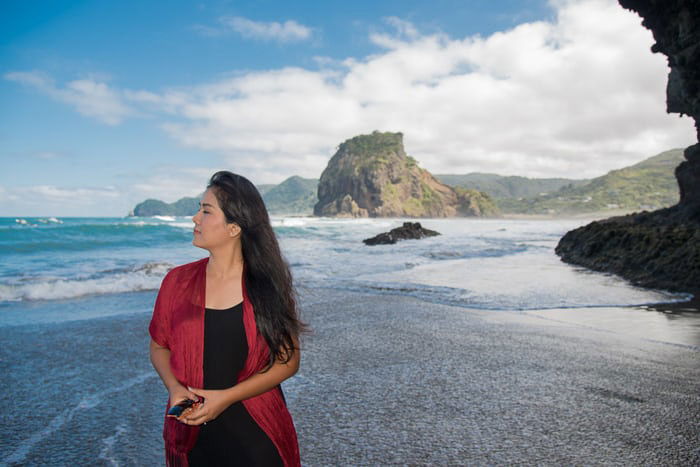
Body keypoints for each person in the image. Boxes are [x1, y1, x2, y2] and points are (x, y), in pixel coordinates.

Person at [149, 171, 308, 466]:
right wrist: (175, 388)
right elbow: (159, 346)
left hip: (256, 437)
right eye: (199, 209)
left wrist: (227, 397)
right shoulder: (176, 282)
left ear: (234, 227)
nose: (195, 218)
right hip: (193, 440)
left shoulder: (264, 284)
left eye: (206, 211)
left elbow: (288, 361)